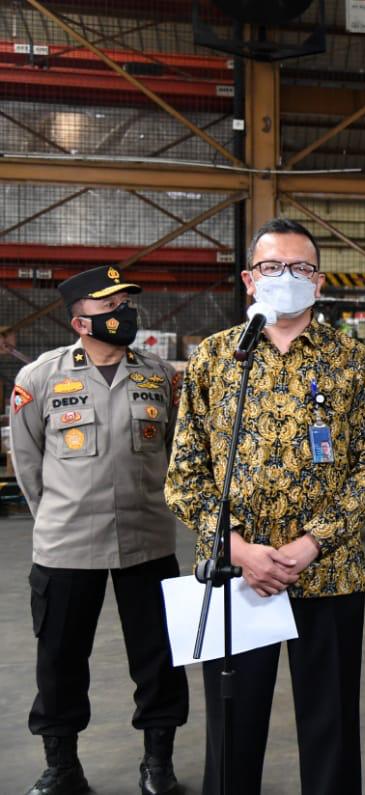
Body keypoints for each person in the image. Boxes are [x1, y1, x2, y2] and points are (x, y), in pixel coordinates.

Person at [165, 218, 365, 795]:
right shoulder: (216, 360)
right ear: (248, 279)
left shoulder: (349, 359)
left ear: (318, 282)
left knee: (331, 726)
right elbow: (186, 475)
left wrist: (310, 544)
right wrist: (240, 550)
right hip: (236, 578)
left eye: (300, 268)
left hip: (329, 574)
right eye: (271, 267)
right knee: (233, 727)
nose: (286, 277)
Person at [10, 265, 188, 795]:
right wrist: (62, 516)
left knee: (158, 659)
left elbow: (178, 452)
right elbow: (27, 463)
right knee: (60, 660)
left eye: (125, 304)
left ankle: (158, 764)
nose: (124, 314)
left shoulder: (160, 376)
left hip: (148, 541)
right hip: (66, 546)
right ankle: (62, 765)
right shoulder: (38, 379)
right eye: (110, 307)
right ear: (80, 322)